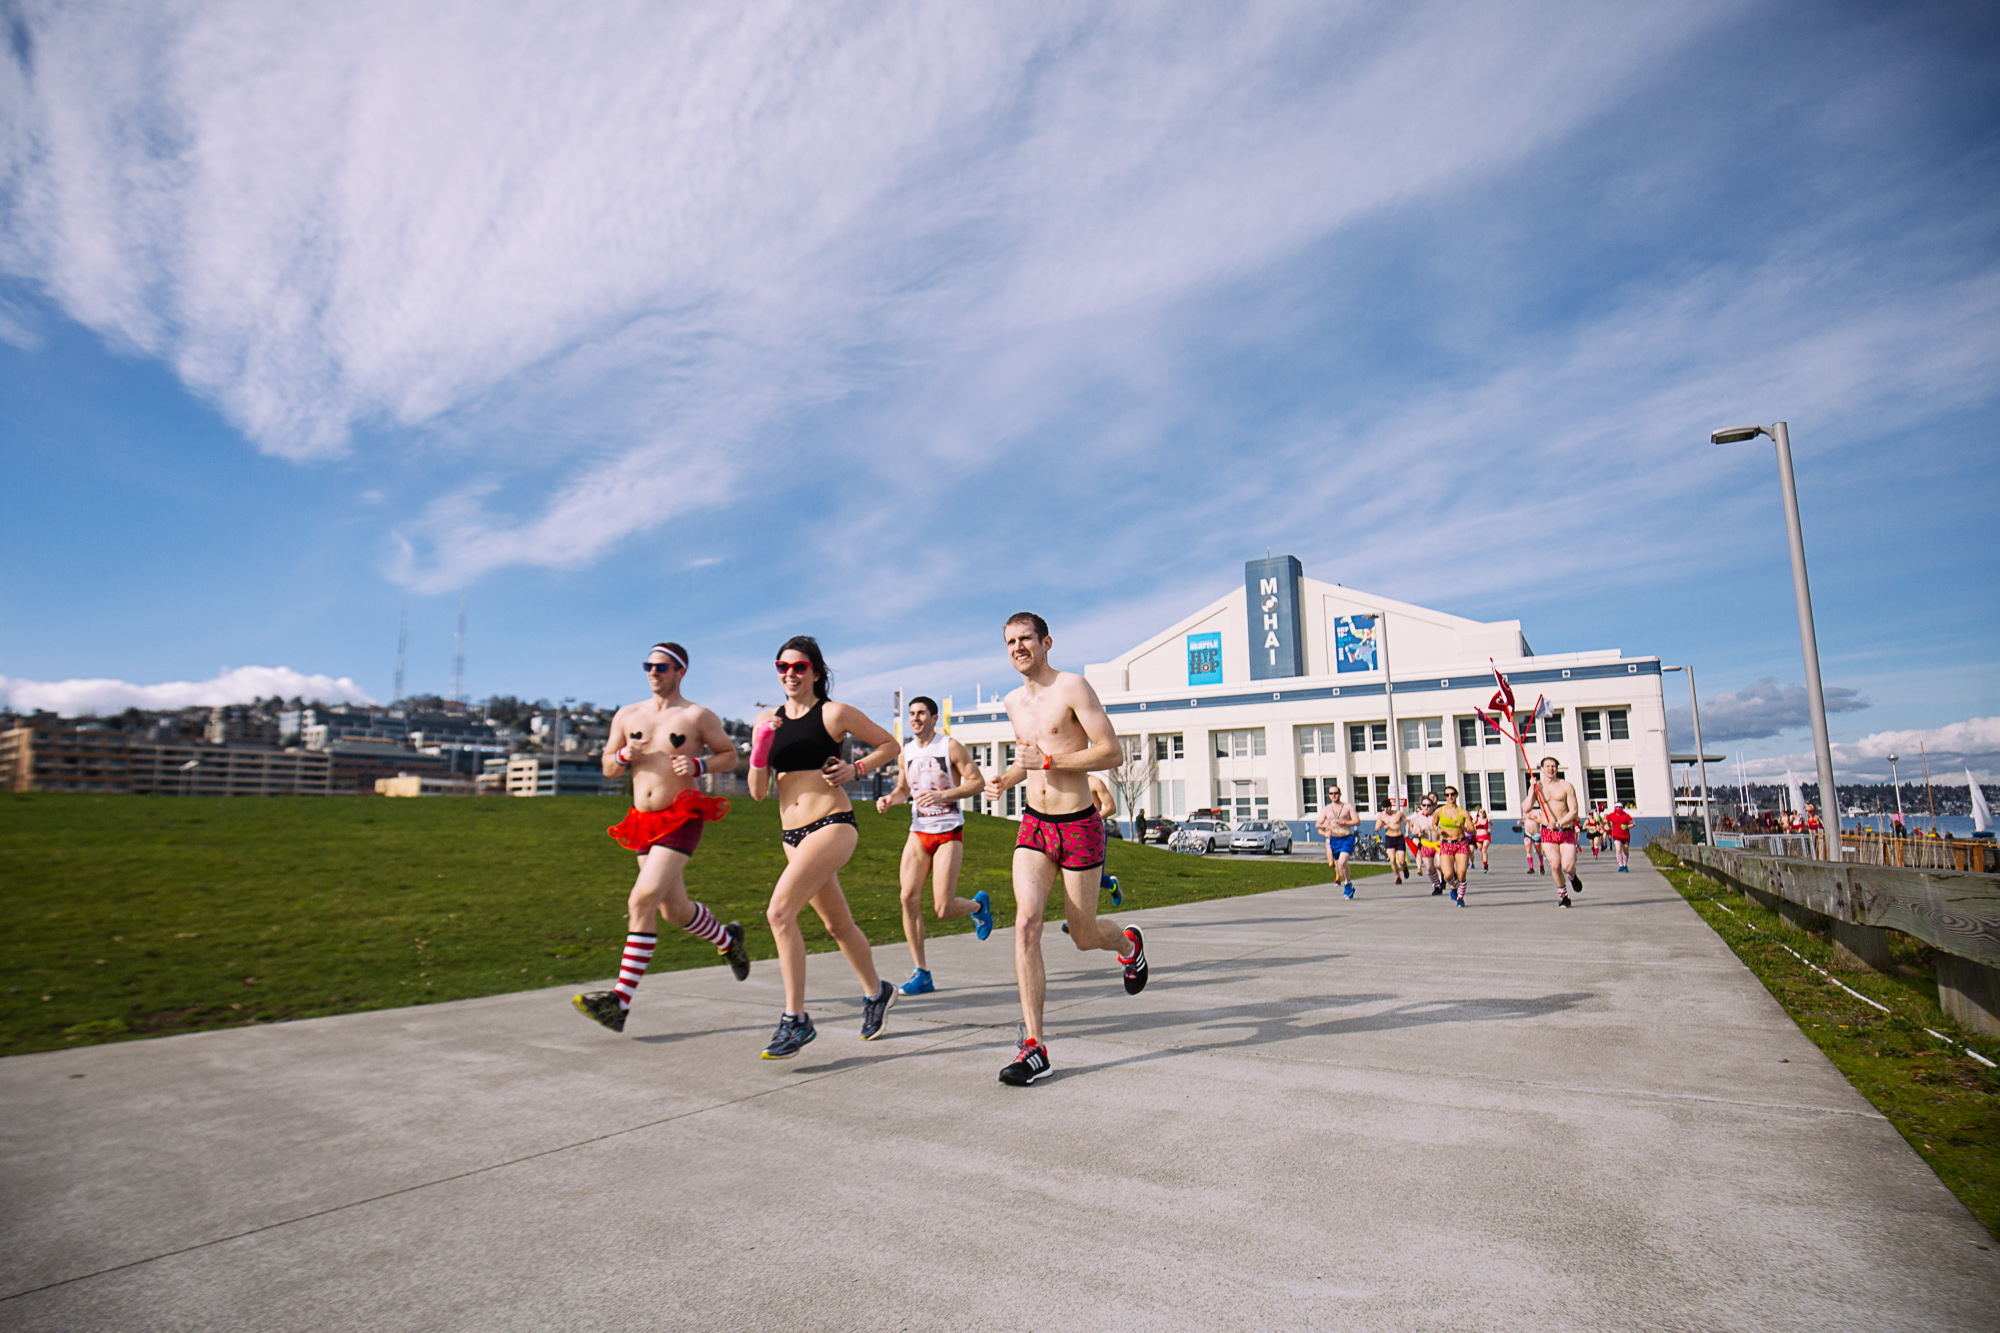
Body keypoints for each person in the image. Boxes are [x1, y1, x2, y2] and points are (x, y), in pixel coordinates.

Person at [984, 612, 1146, 1086]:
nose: (1018, 647)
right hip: (1033, 825)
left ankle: (1128, 944)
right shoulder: (1013, 701)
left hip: (1078, 825)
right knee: (1026, 923)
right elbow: (1028, 760)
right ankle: (1034, 1046)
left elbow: (1111, 751)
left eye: (1025, 639)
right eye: (1010, 640)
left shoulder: (1073, 687)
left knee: (1082, 934)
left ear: (1046, 642)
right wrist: (1007, 778)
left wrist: (1053, 759)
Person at [573, 643, 751, 1034]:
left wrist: (700, 763)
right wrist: (623, 755)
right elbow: (607, 767)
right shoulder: (627, 715)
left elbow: (730, 755)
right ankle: (728, 940)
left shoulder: (696, 716)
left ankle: (619, 1002)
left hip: (682, 814)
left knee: (641, 899)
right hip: (642, 820)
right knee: (673, 910)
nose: (653, 672)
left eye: (662, 666)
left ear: (680, 671)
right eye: (648, 666)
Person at [747, 637, 901, 1059]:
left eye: (798, 667)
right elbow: (758, 792)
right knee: (837, 925)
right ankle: (877, 992)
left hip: (832, 824)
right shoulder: (766, 719)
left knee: (779, 912)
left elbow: (890, 744)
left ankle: (794, 1019)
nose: (789, 675)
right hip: (791, 837)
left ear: (815, 672)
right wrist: (760, 746)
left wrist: (857, 768)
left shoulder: (834, 713)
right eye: (782, 667)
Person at [877, 695, 995, 996]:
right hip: (919, 831)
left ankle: (978, 906)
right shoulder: (906, 753)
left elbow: (977, 782)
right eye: (911, 714)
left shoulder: (949, 746)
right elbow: (904, 788)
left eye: (921, 713)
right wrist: (891, 799)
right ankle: (922, 973)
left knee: (943, 908)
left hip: (948, 831)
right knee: (907, 898)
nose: (915, 718)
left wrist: (943, 796)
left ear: (932, 717)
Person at [1529, 756, 1583, 906]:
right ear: (1542, 769)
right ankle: (1564, 896)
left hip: (1565, 830)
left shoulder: (1566, 786)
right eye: (1547, 766)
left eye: (1553, 766)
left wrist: (1559, 823)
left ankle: (1572, 876)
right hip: (1548, 831)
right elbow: (1526, 807)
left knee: (1567, 866)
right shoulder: (1537, 787)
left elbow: (1574, 811)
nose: (1551, 769)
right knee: (1555, 865)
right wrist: (1531, 791)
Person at [1315, 780, 1359, 899]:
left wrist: (1343, 822)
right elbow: (1317, 824)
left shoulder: (1347, 807)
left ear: (1340, 794)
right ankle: (1348, 883)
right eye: (1331, 793)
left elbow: (1357, 821)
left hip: (1347, 838)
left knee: (1342, 861)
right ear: (1329, 795)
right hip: (1334, 839)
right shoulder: (1326, 809)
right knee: (1339, 866)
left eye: (1336, 793)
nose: (1334, 795)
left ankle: (1346, 885)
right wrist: (1324, 825)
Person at [1434, 786, 1472, 906]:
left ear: (1456, 795)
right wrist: (1438, 830)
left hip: (1460, 843)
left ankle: (1460, 898)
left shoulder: (1463, 812)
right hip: (1446, 844)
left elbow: (1472, 830)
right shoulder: (1440, 811)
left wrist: (1462, 826)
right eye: (1447, 795)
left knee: (1461, 873)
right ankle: (1454, 886)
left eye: (1452, 794)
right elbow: (1434, 824)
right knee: (1448, 875)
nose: (1450, 797)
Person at [1376, 799, 1409, 885]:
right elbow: (1376, 828)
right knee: (1392, 859)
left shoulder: (1398, 814)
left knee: (1401, 861)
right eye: (1384, 809)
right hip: (1389, 838)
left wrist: (1407, 832)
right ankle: (1398, 877)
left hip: (1399, 838)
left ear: (1391, 807)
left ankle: (1405, 867)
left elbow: (1406, 822)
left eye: (1388, 808)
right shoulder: (1381, 816)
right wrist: (1380, 825)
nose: (1386, 811)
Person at [1606, 801, 1635, 872]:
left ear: (1622, 808)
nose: (1618, 808)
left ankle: (1625, 864)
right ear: (1614, 807)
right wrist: (1600, 820)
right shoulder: (1611, 815)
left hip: (1625, 835)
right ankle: (1620, 865)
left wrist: (1627, 826)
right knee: (1618, 849)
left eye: (1620, 807)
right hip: (1616, 835)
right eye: (1617, 807)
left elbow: (1633, 824)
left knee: (1625, 850)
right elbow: (1605, 821)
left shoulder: (1626, 815)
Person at [1472, 806, 1492, 872]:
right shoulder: (1476, 819)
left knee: (1484, 849)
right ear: (1478, 813)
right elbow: (1470, 826)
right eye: (1481, 812)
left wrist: (1490, 829)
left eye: (1483, 812)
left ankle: (1486, 866)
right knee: (1481, 851)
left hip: (1486, 836)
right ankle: (1484, 863)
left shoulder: (1487, 820)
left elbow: (1492, 824)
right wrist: (1475, 826)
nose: (1482, 813)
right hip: (1478, 837)